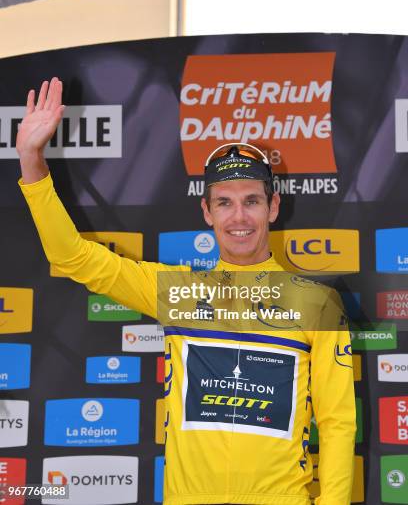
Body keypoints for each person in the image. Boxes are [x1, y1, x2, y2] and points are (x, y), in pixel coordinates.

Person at [17, 77, 356, 505]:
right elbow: (73, 257)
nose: (239, 217)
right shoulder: (176, 290)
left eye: (251, 201)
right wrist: (32, 160)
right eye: (224, 202)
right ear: (206, 211)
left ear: (272, 207)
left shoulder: (316, 302)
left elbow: (338, 421)